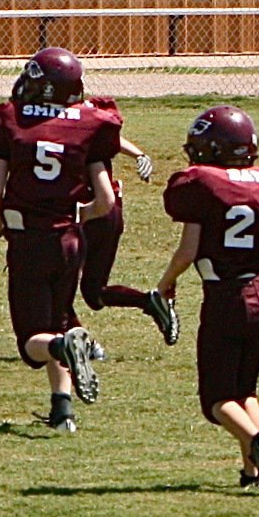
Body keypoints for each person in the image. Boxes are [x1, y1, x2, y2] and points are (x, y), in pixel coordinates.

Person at [0, 47, 119, 432]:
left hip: (29, 238)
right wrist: (77, 216)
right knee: (58, 320)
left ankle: (62, 350)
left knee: (32, 343)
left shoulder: (11, 119)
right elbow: (105, 200)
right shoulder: (90, 123)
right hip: (70, 240)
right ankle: (62, 411)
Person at [156, 105, 259, 495]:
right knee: (245, 389)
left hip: (226, 296)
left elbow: (188, 250)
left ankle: (256, 442)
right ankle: (254, 470)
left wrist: (166, 283)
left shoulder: (202, 185)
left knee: (217, 399)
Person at [77, 100, 180, 347]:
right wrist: (139, 154)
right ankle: (150, 302)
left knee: (55, 278)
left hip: (92, 210)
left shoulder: (71, 121)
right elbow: (106, 141)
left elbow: (98, 147)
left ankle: (75, 345)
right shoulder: (81, 120)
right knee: (93, 293)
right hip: (107, 212)